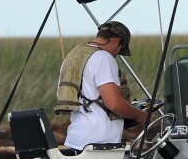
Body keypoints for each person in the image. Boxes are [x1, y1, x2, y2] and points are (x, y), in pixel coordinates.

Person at [55, 21, 148, 151]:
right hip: (99, 143)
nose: (117, 54)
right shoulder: (103, 58)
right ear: (116, 41)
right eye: (121, 49)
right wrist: (139, 115)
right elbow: (114, 104)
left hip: (77, 139)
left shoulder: (74, 56)